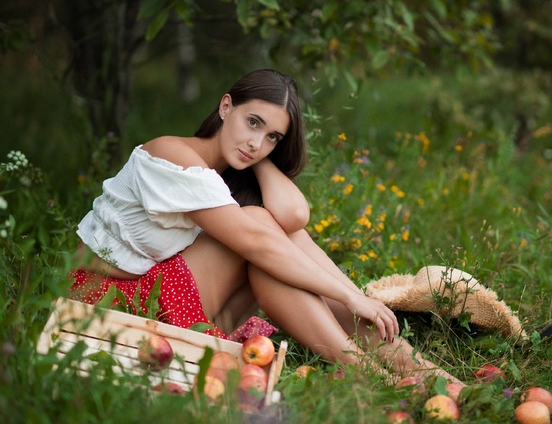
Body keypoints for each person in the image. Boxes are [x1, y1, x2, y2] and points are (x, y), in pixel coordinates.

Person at [70, 69, 463, 385]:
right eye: (252, 122)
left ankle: (431, 378)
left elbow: (293, 217)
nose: (257, 142)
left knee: (272, 233)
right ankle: (368, 373)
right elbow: (257, 241)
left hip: (162, 297)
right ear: (226, 106)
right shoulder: (173, 154)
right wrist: (352, 296)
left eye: (272, 136)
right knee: (260, 235)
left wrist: (254, 156)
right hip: (106, 302)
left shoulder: (223, 175)